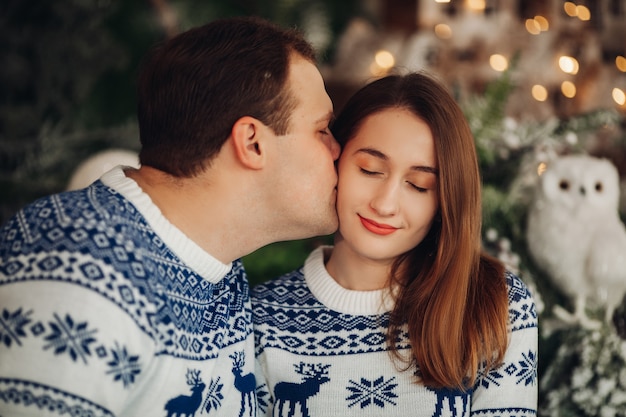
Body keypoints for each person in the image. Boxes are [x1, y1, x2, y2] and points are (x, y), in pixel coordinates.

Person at [0, 16, 339, 417]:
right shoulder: (73, 266)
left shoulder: (215, 265)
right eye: (323, 130)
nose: (338, 150)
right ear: (252, 142)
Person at [252, 72, 538, 416]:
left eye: (418, 185)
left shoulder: (495, 305)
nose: (385, 205)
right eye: (370, 170)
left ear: (444, 202)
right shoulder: (260, 318)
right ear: (334, 160)